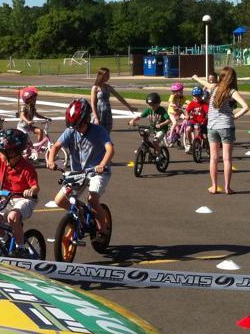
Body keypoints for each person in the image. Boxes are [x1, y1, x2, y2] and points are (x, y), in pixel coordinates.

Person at [47, 98, 114, 240]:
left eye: (79, 125)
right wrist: (51, 160)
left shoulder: (98, 130)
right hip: (77, 173)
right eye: (74, 126)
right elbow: (56, 147)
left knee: (93, 198)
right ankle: (82, 213)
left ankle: (102, 228)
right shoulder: (71, 130)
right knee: (60, 200)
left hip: (97, 171)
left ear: (87, 119)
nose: (76, 129)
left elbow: (109, 149)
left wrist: (102, 164)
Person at [192, 68, 249, 195]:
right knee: (227, 159)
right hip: (226, 126)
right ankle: (227, 187)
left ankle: (214, 186)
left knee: (213, 158)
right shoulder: (231, 91)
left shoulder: (214, 87)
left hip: (212, 126)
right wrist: (235, 116)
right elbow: (246, 107)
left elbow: (203, 83)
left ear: (221, 77)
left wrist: (195, 77)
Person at [90, 67, 136, 132]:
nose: (109, 77)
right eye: (107, 75)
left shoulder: (108, 87)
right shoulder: (95, 88)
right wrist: (96, 117)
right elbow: (93, 104)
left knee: (106, 133)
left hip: (107, 113)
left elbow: (119, 97)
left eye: (109, 75)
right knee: (97, 133)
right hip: (99, 113)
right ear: (101, 76)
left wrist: (129, 106)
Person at [129, 92, 170, 161]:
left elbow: (168, 120)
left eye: (153, 105)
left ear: (158, 103)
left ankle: (159, 156)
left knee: (155, 141)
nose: (151, 106)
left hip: (161, 129)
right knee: (144, 133)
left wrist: (160, 124)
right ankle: (144, 148)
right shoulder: (149, 110)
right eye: (149, 105)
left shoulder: (162, 110)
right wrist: (133, 120)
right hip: (152, 127)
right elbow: (140, 116)